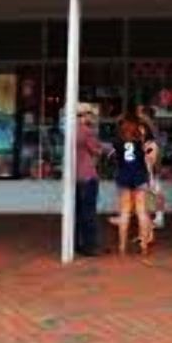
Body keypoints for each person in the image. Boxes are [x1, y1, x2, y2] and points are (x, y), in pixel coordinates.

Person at [112, 113, 152, 256]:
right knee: (141, 211)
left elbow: (116, 159)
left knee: (124, 213)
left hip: (123, 177)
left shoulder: (118, 142)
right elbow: (146, 158)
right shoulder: (140, 142)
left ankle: (122, 246)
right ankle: (144, 245)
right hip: (139, 177)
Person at [75, 103, 103, 257]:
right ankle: (90, 246)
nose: (93, 117)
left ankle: (77, 243)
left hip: (76, 175)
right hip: (88, 174)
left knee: (78, 212)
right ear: (85, 115)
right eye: (91, 114)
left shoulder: (71, 130)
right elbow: (97, 150)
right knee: (89, 212)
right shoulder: (87, 131)